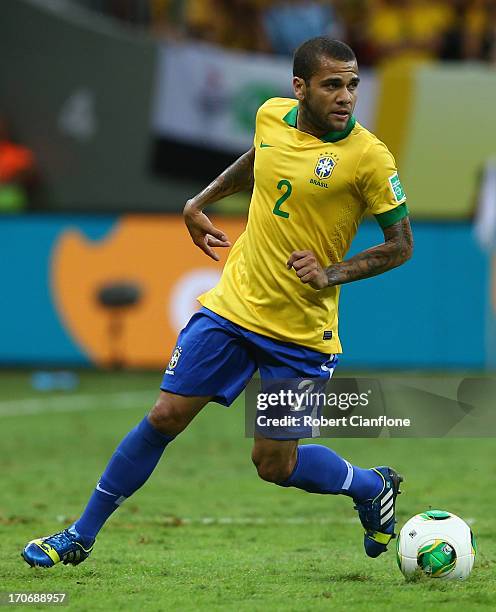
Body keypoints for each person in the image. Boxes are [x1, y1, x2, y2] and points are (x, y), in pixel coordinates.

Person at [22, 37, 413, 568]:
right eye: (332, 84)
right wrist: (199, 201)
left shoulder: (368, 157)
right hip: (232, 308)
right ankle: (80, 534)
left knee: (273, 464)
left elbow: (400, 245)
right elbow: (260, 159)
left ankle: (369, 486)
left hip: (300, 334)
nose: (346, 96)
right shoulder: (272, 115)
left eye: (352, 85)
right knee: (164, 415)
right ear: (299, 88)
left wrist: (332, 273)